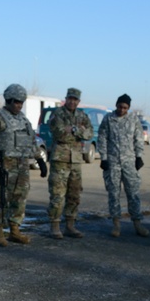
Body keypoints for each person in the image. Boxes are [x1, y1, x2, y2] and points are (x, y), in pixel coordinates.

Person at [0, 83, 46, 246]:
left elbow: (31, 141)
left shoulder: (23, 120)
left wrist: (39, 159)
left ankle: (15, 230)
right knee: (2, 199)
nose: (19, 106)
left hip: (23, 164)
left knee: (20, 197)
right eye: (16, 102)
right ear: (8, 100)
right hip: (5, 164)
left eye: (21, 103)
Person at [97, 94, 149, 237]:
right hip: (112, 162)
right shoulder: (108, 119)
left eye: (125, 107)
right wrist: (104, 157)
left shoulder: (133, 120)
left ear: (129, 108)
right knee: (113, 193)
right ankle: (116, 225)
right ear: (116, 105)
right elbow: (102, 138)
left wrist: (139, 156)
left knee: (133, 193)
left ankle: (137, 223)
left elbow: (138, 138)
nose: (122, 109)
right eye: (120, 106)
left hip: (129, 162)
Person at [47, 87, 93, 238]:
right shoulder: (57, 114)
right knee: (57, 194)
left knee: (74, 194)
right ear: (66, 99)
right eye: (70, 99)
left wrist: (73, 129)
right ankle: (55, 225)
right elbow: (59, 134)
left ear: (79, 101)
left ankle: (70, 225)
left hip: (76, 161)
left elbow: (89, 133)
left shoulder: (82, 115)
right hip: (60, 159)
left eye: (75, 99)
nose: (72, 102)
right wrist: (78, 131)